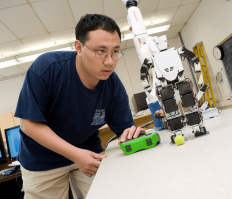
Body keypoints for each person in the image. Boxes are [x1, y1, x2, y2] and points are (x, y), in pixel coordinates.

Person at [14, 14, 143, 199]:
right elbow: (28, 125)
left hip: (89, 152)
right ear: (79, 47)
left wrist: (131, 134)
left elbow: (125, 129)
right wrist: (75, 154)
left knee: (111, 193)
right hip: (42, 160)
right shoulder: (47, 69)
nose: (109, 61)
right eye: (100, 51)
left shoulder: (113, 85)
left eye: (115, 51)